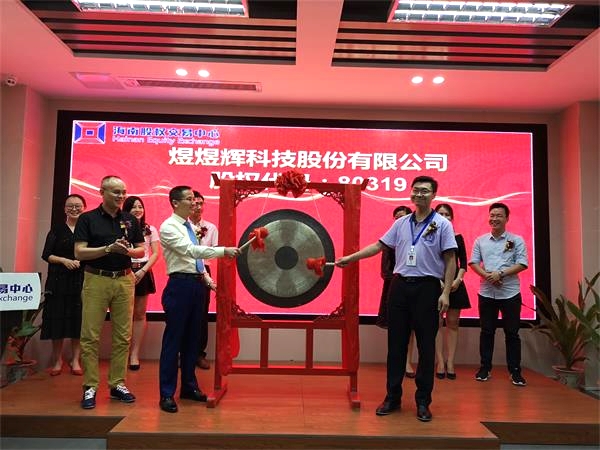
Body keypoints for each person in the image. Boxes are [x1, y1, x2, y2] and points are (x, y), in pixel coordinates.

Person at [336, 175, 456, 422]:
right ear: (411, 193)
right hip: (400, 286)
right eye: (416, 190)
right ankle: (392, 397)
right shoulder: (401, 223)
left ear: (434, 195)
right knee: (396, 346)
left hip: (427, 288)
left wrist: (445, 292)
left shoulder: (442, 224)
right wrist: (351, 258)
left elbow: (451, 259)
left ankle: (423, 401)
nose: (419, 194)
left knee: (426, 347)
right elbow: (378, 246)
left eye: (425, 191)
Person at [158, 185, 240, 413]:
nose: (194, 203)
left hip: (197, 285)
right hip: (180, 286)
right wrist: (223, 251)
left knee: (193, 340)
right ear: (175, 203)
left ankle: (189, 386)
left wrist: (208, 281)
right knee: (174, 341)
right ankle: (166, 393)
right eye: (189, 199)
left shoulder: (191, 227)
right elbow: (190, 251)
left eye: (195, 199)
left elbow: (197, 262)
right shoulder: (169, 227)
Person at [74, 176, 145, 409]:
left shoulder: (130, 220)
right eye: (116, 192)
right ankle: (90, 386)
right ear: (101, 192)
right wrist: (108, 249)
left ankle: (117, 384)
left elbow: (141, 249)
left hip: (124, 279)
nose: (121, 196)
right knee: (90, 335)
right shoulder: (88, 219)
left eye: (123, 192)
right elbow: (79, 252)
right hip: (96, 279)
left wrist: (127, 252)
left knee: (123, 336)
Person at [469, 202, 528, 386]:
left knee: (512, 333)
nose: (494, 219)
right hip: (487, 293)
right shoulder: (480, 241)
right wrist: (488, 276)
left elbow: (522, 263)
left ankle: (515, 371)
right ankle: (485, 368)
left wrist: (500, 274)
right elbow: (473, 263)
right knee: (487, 332)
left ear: (507, 218)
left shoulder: (516, 240)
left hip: (510, 293)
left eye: (499, 215)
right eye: (492, 215)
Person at [41, 194, 87, 377]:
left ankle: (76, 360)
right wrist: (64, 261)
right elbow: (46, 254)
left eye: (78, 205)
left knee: (79, 321)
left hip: (81, 280)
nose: (74, 209)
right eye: (70, 206)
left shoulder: (87, 230)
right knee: (57, 320)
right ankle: (57, 360)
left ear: (84, 207)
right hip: (58, 281)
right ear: (64, 209)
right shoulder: (57, 230)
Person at [375, 205, 417, 378]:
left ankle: (408, 361)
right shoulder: (390, 239)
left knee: (412, 327)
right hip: (394, 285)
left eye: (402, 216)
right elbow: (384, 270)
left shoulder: (417, 237)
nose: (399, 220)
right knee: (396, 327)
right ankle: (396, 361)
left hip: (416, 286)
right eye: (396, 217)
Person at [122, 196, 160, 371]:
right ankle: (121, 352)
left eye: (140, 206)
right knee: (122, 314)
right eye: (133, 207)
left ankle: (134, 354)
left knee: (139, 314)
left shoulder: (150, 229)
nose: (137, 210)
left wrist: (143, 271)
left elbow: (155, 253)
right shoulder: (120, 227)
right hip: (123, 271)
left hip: (142, 272)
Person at [433, 203, 471, 380]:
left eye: (447, 214)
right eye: (440, 214)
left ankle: (450, 362)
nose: (444, 217)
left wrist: (457, 280)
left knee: (453, 323)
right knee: (437, 323)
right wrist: (439, 281)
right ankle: (440, 361)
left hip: (456, 284)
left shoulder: (457, 237)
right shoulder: (430, 236)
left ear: (452, 217)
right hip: (435, 283)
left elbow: (463, 263)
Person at [189, 191, 218, 370]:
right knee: (184, 314)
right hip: (184, 270)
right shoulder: (180, 227)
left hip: (204, 271)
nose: (198, 207)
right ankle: (183, 354)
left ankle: (199, 354)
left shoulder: (211, 227)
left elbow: (214, 252)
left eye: (201, 203)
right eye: (195, 203)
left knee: (201, 314)